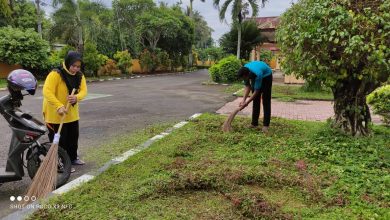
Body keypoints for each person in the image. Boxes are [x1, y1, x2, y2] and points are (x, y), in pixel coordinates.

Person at [42, 51, 88, 172]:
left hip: (71, 114)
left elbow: (84, 91)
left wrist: (77, 97)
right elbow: (47, 91)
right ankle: (60, 163)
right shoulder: (56, 74)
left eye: (78, 66)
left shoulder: (80, 76)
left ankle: (73, 159)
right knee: (59, 140)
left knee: (73, 138)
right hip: (55, 114)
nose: (75, 69)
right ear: (68, 63)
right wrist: (58, 106)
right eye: (73, 66)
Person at [237, 60, 273, 133]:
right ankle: (254, 123)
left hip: (266, 76)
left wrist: (246, 103)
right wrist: (243, 100)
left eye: (244, 78)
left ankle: (266, 125)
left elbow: (257, 91)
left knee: (266, 101)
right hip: (255, 72)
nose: (244, 80)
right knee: (255, 101)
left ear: (248, 75)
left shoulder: (257, 74)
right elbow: (247, 86)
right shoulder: (244, 72)